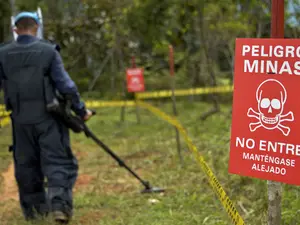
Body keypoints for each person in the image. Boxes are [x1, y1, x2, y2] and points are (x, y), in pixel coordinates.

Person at [0, 12, 93, 223]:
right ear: (37, 27)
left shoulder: (2, 54)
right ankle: (59, 207)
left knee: (26, 164)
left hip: (20, 121)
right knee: (57, 160)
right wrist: (81, 111)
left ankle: (34, 212)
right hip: (49, 118)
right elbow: (66, 86)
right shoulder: (48, 51)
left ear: (16, 30)